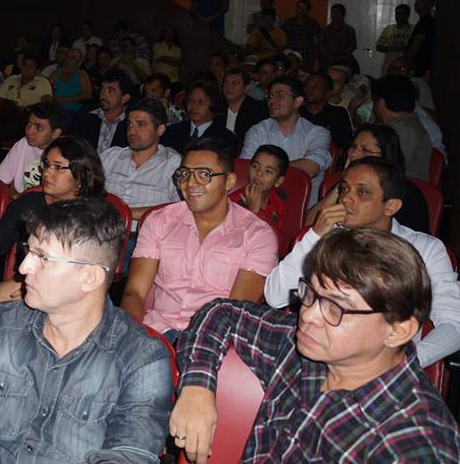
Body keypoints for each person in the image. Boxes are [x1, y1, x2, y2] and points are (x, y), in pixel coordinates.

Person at [0, 199, 174, 463]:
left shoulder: (141, 359)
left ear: (90, 277)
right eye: (28, 251)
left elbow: (129, 455)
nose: (23, 267)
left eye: (42, 257)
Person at [169, 228, 460, 464]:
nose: (307, 315)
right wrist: (197, 388)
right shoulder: (307, 350)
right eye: (310, 293)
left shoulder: (411, 443)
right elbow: (221, 313)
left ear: (398, 330)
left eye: (336, 308)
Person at [265, 158, 460, 368]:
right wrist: (315, 235)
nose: (346, 199)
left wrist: (404, 364)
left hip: (385, 373)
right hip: (319, 360)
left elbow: (454, 323)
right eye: (344, 189)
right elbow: (275, 296)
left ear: (391, 206)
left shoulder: (426, 249)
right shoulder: (327, 237)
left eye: (362, 192)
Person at [120, 137, 278, 340]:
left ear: (229, 181)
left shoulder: (257, 235)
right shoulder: (160, 221)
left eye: (204, 174)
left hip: (213, 340)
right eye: (184, 174)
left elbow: (236, 313)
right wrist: (132, 336)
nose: (190, 182)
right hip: (157, 332)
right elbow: (135, 293)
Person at [0, 136, 107, 319]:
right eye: (47, 165)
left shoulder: (94, 217)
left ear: (81, 175)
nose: (47, 173)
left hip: (70, 298)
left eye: (58, 167)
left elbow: (92, 276)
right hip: (20, 286)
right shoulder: (30, 203)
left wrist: (40, 289)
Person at [305, 123, 429, 233]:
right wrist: (344, 181)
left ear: (385, 156)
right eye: (353, 147)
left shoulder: (405, 192)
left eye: (365, 150)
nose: (353, 154)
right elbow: (311, 225)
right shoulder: (346, 185)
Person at [241, 76, 332, 205]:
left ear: (298, 102)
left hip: (301, 209)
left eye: (280, 96)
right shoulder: (258, 131)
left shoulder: (317, 133)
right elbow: (245, 168)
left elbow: (312, 168)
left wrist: (265, 170)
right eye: (271, 96)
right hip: (261, 205)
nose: (272, 101)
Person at [100, 99, 181, 222]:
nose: (131, 131)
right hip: (102, 230)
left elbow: (179, 209)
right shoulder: (111, 156)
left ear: (160, 130)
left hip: (145, 235)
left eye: (141, 124)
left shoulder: (173, 163)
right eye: (129, 124)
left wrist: (125, 213)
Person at [0, 101, 63, 197]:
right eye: (29, 124)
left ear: (55, 133)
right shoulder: (24, 143)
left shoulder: (64, 155)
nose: (29, 131)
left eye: (38, 128)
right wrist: (15, 195)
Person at [373, 74, 432, 182]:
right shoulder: (405, 123)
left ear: (381, 103)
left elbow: (388, 169)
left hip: (403, 190)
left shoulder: (404, 128)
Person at [161, 81, 238, 154]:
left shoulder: (225, 138)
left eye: (201, 101)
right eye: (190, 100)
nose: (194, 106)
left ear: (214, 104)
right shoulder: (171, 131)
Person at [68, 70, 132, 153]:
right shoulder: (86, 114)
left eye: (110, 91)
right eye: (102, 89)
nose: (103, 95)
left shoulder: (131, 121)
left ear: (124, 98)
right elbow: (71, 144)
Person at [229, 144, 289, 233]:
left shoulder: (280, 198)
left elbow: (276, 236)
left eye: (268, 171)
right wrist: (252, 212)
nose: (259, 173)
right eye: (255, 166)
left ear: (278, 181)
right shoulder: (233, 203)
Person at [299, 72, 353, 148]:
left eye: (317, 87)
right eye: (308, 85)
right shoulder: (295, 112)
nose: (311, 89)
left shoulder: (338, 113)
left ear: (327, 93)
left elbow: (346, 145)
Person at [222, 67, 268, 143]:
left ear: (246, 88)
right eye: (226, 83)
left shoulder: (259, 110)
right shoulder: (216, 108)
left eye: (234, 83)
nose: (229, 87)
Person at [49, 46, 92, 116]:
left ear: (79, 61)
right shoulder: (56, 72)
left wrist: (66, 99)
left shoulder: (81, 73)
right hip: (55, 108)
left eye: (73, 58)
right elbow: (47, 89)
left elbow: (88, 94)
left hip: (73, 110)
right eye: (68, 56)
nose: (69, 60)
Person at [280, 0, 321, 70]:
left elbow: (318, 40)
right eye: (299, 8)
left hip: (307, 57)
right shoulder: (288, 22)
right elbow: (281, 39)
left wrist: (314, 57)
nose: (301, 10)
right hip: (291, 57)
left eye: (304, 8)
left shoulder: (313, 23)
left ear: (308, 10)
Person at [404, 0, 436, 78]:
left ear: (429, 4)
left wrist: (405, 62)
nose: (416, 3)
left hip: (419, 69)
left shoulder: (426, 22)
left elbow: (416, 45)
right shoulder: (423, 21)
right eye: (416, 0)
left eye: (420, 0)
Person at [376, 3, 413, 72]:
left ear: (408, 15)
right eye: (397, 13)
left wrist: (404, 48)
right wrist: (392, 48)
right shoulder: (389, 29)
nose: (398, 16)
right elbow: (378, 46)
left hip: (405, 66)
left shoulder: (413, 29)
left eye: (401, 13)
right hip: (389, 65)